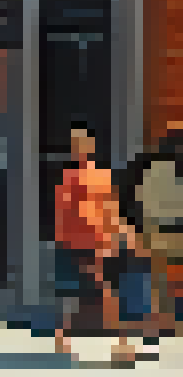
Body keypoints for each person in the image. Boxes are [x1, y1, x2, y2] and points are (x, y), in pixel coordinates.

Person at [54, 124, 140, 365]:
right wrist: (68, 242)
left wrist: (125, 233)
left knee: (95, 291)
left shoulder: (102, 176)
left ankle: (65, 337)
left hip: (100, 242)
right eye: (75, 145)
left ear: (90, 147)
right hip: (83, 243)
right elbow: (66, 214)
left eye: (82, 144)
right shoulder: (69, 180)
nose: (79, 149)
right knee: (102, 290)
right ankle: (120, 343)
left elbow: (111, 209)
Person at [118, 119, 183, 344]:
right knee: (161, 279)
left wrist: (135, 231)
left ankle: (167, 324)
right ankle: (169, 325)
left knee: (160, 280)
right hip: (160, 232)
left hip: (152, 233)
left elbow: (129, 201)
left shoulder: (148, 165)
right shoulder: (154, 167)